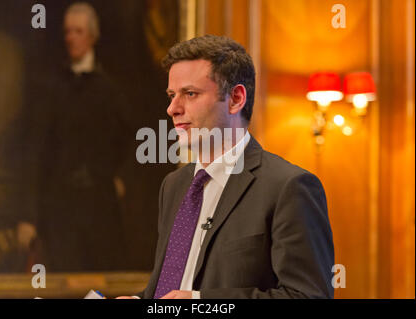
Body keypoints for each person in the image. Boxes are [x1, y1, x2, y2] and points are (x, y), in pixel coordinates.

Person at [118, 35, 334, 299]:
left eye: (190, 94)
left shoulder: (288, 187)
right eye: (172, 95)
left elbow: (307, 296)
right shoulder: (173, 185)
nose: (172, 108)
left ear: (235, 99)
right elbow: (175, 286)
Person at [22, 2, 130, 272]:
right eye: (67, 31)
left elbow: (128, 140)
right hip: (59, 208)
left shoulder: (110, 90)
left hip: (99, 208)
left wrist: (118, 177)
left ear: (92, 36)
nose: (71, 37)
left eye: (78, 31)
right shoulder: (52, 88)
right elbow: (36, 152)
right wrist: (29, 217)